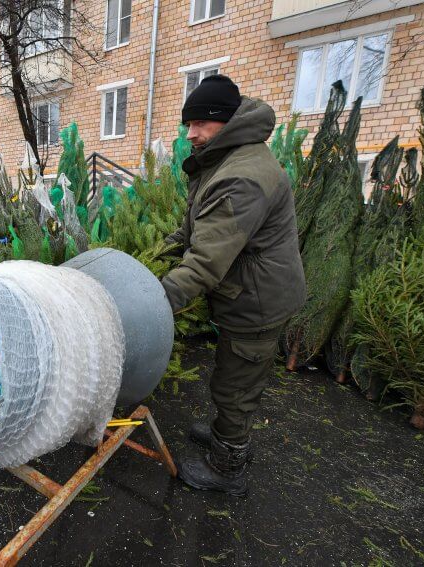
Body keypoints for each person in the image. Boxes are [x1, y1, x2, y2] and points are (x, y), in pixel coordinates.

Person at [160, 75, 306, 496]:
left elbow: (206, 261)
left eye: (201, 124)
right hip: (250, 289)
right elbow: (197, 229)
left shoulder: (242, 176)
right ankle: (226, 432)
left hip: (258, 299)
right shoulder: (230, 158)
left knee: (236, 384)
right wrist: (162, 250)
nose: (192, 134)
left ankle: (228, 466)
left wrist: (154, 299)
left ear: (225, 121)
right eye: (188, 124)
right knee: (233, 372)